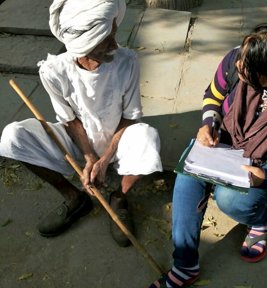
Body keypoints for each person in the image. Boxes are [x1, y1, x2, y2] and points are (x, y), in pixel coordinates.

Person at [149, 23, 267, 287]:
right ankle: (185, 265)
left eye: (247, 67)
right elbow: (212, 96)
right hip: (227, 142)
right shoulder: (240, 58)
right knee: (187, 174)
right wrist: (209, 123)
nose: (237, 64)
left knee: (231, 199)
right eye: (241, 57)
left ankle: (259, 222)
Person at [0, 0, 162, 247]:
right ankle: (74, 198)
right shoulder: (53, 71)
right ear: (82, 48)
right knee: (12, 137)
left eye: (112, 34)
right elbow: (69, 121)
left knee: (148, 139)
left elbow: (130, 117)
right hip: (78, 140)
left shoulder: (126, 61)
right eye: (104, 41)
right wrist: (88, 158)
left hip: (118, 140)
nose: (113, 45)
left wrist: (105, 158)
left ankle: (119, 198)